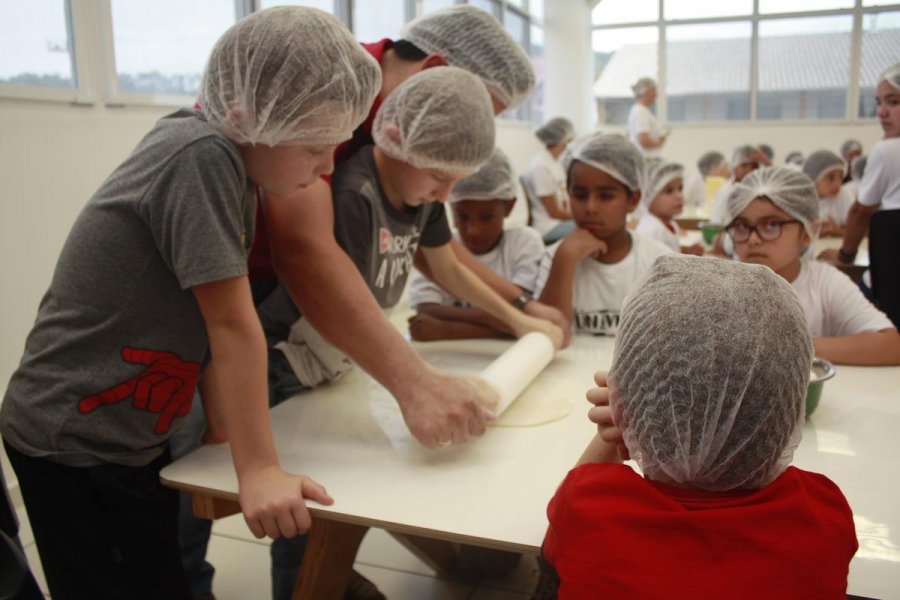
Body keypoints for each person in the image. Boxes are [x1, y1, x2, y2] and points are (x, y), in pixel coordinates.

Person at [0, 7, 382, 599]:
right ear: (253, 114)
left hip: (122, 435)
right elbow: (232, 324)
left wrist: (224, 428)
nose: (326, 166)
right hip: (75, 441)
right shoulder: (200, 156)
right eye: (314, 147)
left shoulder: (226, 162)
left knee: (156, 577)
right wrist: (257, 468)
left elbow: (198, 320)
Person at [259, 67, 564, 600]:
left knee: (344, 474)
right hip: (291, 357)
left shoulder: (418, 191)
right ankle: (303, 585)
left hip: (337, 356)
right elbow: (334, 303)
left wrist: (523, 321)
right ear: (398, 139)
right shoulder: (356, 194)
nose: (445, 192)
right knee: (308, 484)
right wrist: (416, 379)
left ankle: (330, 573)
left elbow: (447, 267)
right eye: (440, 177)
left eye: (454, 180)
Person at [540, 254, 858, 598]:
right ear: (789, 404)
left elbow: (552, 550)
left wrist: (622, 414)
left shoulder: (588, 506)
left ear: (632, 412)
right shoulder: (823, 515)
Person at [726, 166, 900, 365]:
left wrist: (788, 346)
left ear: (808, 232)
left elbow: (891, 344)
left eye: (771, 225)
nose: (753, 239)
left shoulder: (825, 283)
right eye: (742, 226)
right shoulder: (720, 286)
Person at [535, 133, 673, 336]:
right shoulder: (555, 256)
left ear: (633, 200)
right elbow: (548, 336)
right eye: (580, 195)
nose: (590, 208)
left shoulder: (657, 262)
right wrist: (565, 260)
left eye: (606, 196)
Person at [408, 147, 544, 341]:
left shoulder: (524, 243)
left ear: (509, 206)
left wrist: (450, 330)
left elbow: (523, 309)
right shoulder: (441, 247)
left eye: (487, 217)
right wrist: (502, 320)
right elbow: (426, 309)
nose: (474, 230)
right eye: (462, 216)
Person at [819, 63, 900, 329]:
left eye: (894, 101)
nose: (882, 112)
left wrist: (845, 255)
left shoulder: (888, 150)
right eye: (879, 102)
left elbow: (861, 211)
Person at [522, 117, 576, 243]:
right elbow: (554, 213)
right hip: (549, 227)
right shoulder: (541, 167)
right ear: (564, 138)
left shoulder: (553, 162)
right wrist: (581, 217)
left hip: (559, 222)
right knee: (595, 228)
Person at [636, 159, 704, 256]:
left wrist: (686, 253)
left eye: (680, 188)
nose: (679, 196)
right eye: (669, 191)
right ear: (648, 196)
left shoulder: (670, 224)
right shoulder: (651, 231)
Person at [802, 150, 853, 237]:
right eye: (830, 178)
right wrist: (809, 234)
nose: (838, 184)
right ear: (813, 179)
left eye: (841, 177)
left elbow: (862, 229)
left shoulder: (844, 196)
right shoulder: (801, 199)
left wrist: (839, 232)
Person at [626, 77, 667, 157]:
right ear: (647, 91)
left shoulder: (637, 109)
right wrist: (659, 143)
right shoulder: (641, 112)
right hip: (648, 159)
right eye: (654, 91)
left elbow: (629, 135)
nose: (656, 94)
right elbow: (644, 141)